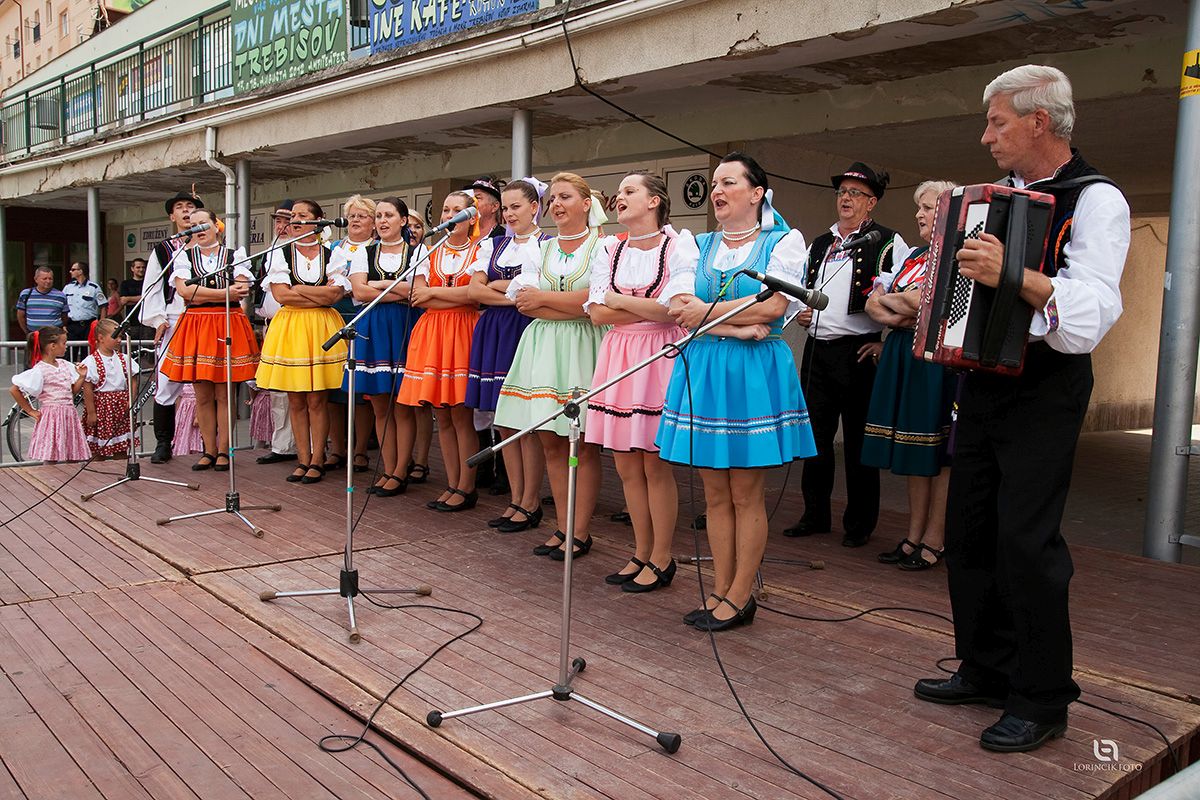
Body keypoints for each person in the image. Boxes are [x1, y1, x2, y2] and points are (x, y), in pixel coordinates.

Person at [913, 65, 1130, 754]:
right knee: (970, 530)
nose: (986, 137)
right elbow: (967, 290)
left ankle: (1041, 697)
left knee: (1027, 542)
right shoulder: (994, 199)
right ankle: (985, 667)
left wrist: (1010, 272)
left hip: (1046, 385)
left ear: (1039, 122)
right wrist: (943, 318)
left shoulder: (1097, 199)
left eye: (997, 122)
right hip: (983, 381)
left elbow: (1091, 314)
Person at [657, 153, 816, 631]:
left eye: (728, 182)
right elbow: (679, 306)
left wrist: (709, 315)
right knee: (713, 491)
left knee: (746, 491)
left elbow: (773, 307)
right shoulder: (695, 243)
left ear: (757, 192)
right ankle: (721, 589)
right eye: (714, 184)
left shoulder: (784, 241)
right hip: (707, 366)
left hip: (752, 372)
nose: (717, 191)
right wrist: (733, 325)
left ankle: (741, 594)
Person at [787, 161, 909, 548]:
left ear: (871, 202)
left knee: (858, 441)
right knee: (816, 437)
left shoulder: (887, 241)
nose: (846, 198)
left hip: (858, 352)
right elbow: (800, 288)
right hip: (818, 352)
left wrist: (886, 341)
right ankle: (815, 514)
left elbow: (908, 294)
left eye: (855, 193)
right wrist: (800, 312)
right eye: (842, 192)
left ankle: (859, 524)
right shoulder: (821, 243)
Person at [495, 172, 612, 561]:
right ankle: (562, 525)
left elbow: (595, 301)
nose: (557, 205)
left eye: (566, 197)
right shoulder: (540, 249)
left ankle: (580, 531)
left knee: (583, 442)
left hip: (583, 347)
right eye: (553, 199)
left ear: (586, 203)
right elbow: (524, 303)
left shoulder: (603, 246)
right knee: (549, 439)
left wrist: (549, 301)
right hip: (544, 346)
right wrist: (568, 304)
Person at [586, 172, 689, 592]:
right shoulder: (610, 248)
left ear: (654, 201)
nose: (620, 197)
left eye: (630, 191)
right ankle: (641, 551)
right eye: (620, 192)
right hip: (619, 355)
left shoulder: (678, 245)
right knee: (627, 464)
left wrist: (618, 300)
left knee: (654, 463)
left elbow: (674, 310)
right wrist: (645, 306)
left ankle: (662, 556)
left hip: (661, 354)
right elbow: (597, 313)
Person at [863, 180, 957, 571]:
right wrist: (900, 309)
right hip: (905, 352)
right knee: (913, 449)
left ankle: (935, 538)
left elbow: (927, 301)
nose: (919, 214)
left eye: (928, 207)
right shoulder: (915, 255)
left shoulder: (957, 254)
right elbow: (873, 305)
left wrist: (898, 305)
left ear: (949, 213)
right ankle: (913, 535)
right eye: (919, 207)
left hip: (936, 361)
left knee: (938, 453)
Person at [465, 178, 550, 532]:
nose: (510, 213)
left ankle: (531, 501)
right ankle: (516, 499)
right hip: (496, 329)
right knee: (504, 419)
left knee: (526, 421)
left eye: (517, 206)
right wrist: (512, 294)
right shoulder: (494, 244)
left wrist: (496, 287)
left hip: (527, 329)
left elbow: (536, 290)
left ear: (535, 207)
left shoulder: (547, 245)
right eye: (506, 207)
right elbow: (474, 290)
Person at [398, 191, 483, 512]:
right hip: (433, 332)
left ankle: (467, 486)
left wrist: (438, 294)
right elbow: (418, 296)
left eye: (457, 210)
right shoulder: (428, 251)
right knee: (442, 414)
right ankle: (452, 482)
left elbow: (474, 296)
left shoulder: (480, 250)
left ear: (471, 217)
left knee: (461, 414)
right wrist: (452, 295)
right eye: (446, 210)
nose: (450, 216)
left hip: (462, 332)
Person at [255, 199, 349, 484]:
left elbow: (334, 296)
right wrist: (317, 294)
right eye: (292, 215)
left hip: (321, 325)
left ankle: (318, 459)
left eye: (302, 215)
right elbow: (281, 295)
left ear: (318, 220)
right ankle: (302, 459)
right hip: (292, 326)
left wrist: (298, 289)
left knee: (318, 398)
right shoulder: (280, 254)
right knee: (295, 398)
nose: (294, 220)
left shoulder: (332, 254)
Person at [161, 208, 259, 471]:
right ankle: (209, 450)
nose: (198, 230)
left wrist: (205, 293)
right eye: (192, 225)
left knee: (224, 393)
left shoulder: (234, 255)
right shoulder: (184, 256)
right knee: (202, 394)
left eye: (203, 223)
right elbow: (185, 292)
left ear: (216, 225)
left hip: (226, 322)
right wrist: (225, 292)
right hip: (197, 324)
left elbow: (241, 290)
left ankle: (225, 449)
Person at [343, 196, 424, 497]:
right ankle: (388, 468)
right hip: (375, 326)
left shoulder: (417, 251)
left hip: (405, 325)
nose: (382, 221)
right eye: (378, 216)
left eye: (389, 215)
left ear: (403, 220)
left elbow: (418, 291)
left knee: (402, 405)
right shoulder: (365, 252)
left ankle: (401, 471)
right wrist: (396, 289)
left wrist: (377, 286)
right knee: (379, 403)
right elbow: (360, 291)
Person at [141, 190, 203, 464]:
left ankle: (212, 445)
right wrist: (158, 320)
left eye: (191, 206)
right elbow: (151, 288)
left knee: (208, 379)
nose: (186, 210)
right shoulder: (163, 249)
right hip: (175, 318)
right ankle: (163, 442)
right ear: (172, 216)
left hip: (207, 318)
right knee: (167, 381)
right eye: (180, 207)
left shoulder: (211, 245)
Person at [326, 195, 377, 475]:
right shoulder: (334, 247)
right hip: (335, 317)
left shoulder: (376, 248)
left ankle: (360, 450)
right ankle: (337, 448)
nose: (355, 220)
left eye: (362, 215)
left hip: (364, 318)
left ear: (373, 222)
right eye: (352, 215)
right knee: (334, 389)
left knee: (360, 391)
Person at [255, 201, 299, 466]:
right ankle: (282, 445)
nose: (282, 226)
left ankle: (309, 445)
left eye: (288, 221)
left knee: (302, 387)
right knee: (278, 389)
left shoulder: (303, 252)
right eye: (278, 221)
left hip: (296, 323)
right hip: (272, 324)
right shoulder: (271, 251)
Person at [10, 326, 90, 462]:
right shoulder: (40, 370)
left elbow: (71, 392)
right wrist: (30, 411)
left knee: (72, 453)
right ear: (53, 346)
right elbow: (14, 389)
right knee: (50, 455)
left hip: (68, 414)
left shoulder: (64, 365)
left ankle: (71, 474)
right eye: (63, 343)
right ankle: (50, 475)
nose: (66, 346)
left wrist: (81, 377)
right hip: (51, 417)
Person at [80, 317, 139, 459]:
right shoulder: (91, 361)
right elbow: (87, 388)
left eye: (120, 336)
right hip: (102, 408)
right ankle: (98, 469)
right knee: (98, 448)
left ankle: (121, 467)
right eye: (115, 336)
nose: (119, 340)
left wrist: (131, 399)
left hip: (120, 407)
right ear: (101, 338)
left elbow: (133, 379)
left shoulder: (124, 358)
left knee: (121, 446)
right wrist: (91, 412)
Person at [63, 261, 106, 357]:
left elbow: (103, 305)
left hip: (88, 325)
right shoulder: (68, 287)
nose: (70, 271)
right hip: (72, 324)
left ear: (80, 271)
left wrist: (101, 324)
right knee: (70, 353)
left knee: (87, 353)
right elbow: (62, 306)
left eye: (73, 269)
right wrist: (63, 324)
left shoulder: (93, 287)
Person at [15, 266, 68, 335]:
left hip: (54, 336)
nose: (48, 281)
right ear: (36, 279)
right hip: (34, 335)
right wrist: (27, 332)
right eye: (44, 279)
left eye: (50, 279)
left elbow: (64, 316)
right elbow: (20, 315)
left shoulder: (61, 296)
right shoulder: (26, 294)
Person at [117, 259, 153, 340]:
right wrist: (143, 298)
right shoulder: (125, 284)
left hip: (147, 323)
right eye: (138, 267)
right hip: (132, 322)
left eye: (143, 267)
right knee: (131, 346)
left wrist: (129, 299)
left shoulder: (149, 283)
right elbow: (123, 301)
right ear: (132, 269)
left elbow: (150, 298)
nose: (141, 269)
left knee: (148, 346)